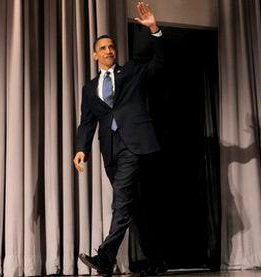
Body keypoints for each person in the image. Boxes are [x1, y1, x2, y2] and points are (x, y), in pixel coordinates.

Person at [73, 2, 165, 276]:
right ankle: (157, 261)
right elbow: (87, 122)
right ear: (94, 54)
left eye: (111, 47)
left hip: (134, 145)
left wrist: (154, 30)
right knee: (133, 208)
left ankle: (105, 257)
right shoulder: (89, 88)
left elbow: (159, 63)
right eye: (103, 48)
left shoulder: (132, 72)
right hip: (110, 151)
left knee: (121, 201)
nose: (109, 51)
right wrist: (81, 150)